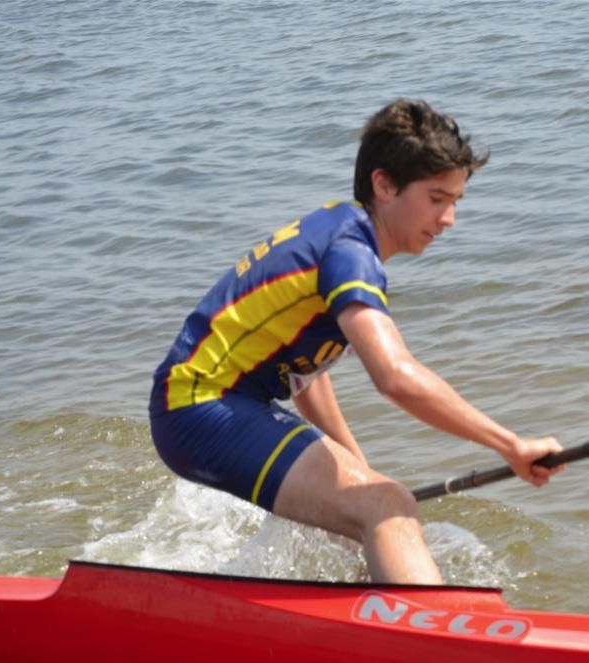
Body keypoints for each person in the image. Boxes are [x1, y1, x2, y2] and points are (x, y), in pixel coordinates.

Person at [148, 99, 565, 584]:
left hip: (210, 405)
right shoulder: (350, 253)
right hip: (199, 408)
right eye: (436, 199)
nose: (449, 218)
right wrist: (510, 444)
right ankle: (432, 639)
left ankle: (370, 624)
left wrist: (357, 468)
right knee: (388, 507)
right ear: (384, 185)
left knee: (371, 505)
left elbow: (306, 377)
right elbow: (395, 377)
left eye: (455, 201)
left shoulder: (340, 229)